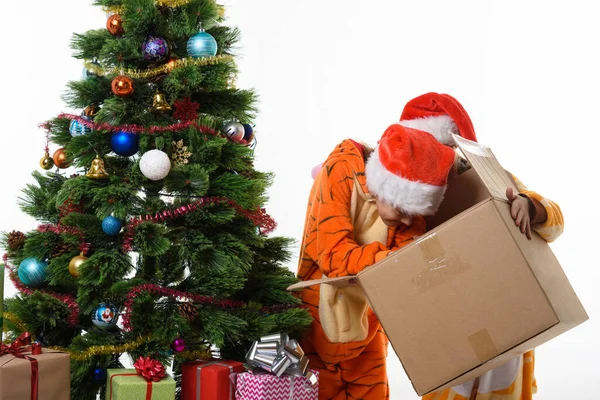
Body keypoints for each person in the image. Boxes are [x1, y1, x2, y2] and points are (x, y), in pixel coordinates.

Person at [397, 92, 564, 400]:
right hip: (450, 330)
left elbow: (556, 220)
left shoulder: (493, 180)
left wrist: (530, 207)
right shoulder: (403, 201)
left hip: (508, 321)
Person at [296, 122, 459, 399]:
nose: (409, 221)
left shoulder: (410, 198)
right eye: (403, 210)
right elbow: (333, 255)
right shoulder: (339, 171)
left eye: (416, 213)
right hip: (315, 324)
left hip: (367, 329)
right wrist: (392, 261)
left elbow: (409, 266)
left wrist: (395, 263)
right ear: (385, 187)